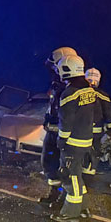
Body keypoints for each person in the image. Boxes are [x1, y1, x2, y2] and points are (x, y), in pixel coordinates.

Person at [51, 54, 97, 222]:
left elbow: (66, 121)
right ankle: (83, 209)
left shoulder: (69, 93)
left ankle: (71, 213)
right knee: (77, 175)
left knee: (70, 177)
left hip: (72, 142)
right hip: (86, 140)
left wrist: (61, 140)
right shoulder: (88, 90)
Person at [38, 46, 78, 209]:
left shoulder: (73, 87)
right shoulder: (58, 83)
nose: (54, 69)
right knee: (49, 164)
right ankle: (54, 193)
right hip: (53, 131)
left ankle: (62, 198)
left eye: (55, 66)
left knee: (64, 168)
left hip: (64, 134)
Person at [83, 68, 111, 184]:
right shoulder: (103, 95)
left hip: (79, 131)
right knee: (93, 153)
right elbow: (108, 113)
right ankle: (88, 179)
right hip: (96, 132)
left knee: (78, 153)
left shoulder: (77, 93)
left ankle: (76, 177)